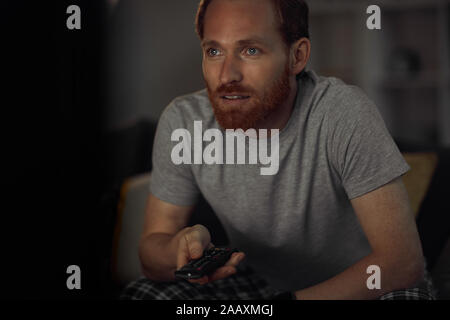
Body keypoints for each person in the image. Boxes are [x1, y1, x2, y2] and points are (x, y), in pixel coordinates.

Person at [120, 0, 435, 300]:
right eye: (214, 51)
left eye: (251, 50)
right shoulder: (184, 122)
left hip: (363, 284)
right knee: (144, 292)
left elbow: (402, 263)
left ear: (297, 57)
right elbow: (151, 254)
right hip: (260, 284)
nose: (227, 75)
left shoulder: (344, 113)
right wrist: (179, 247)